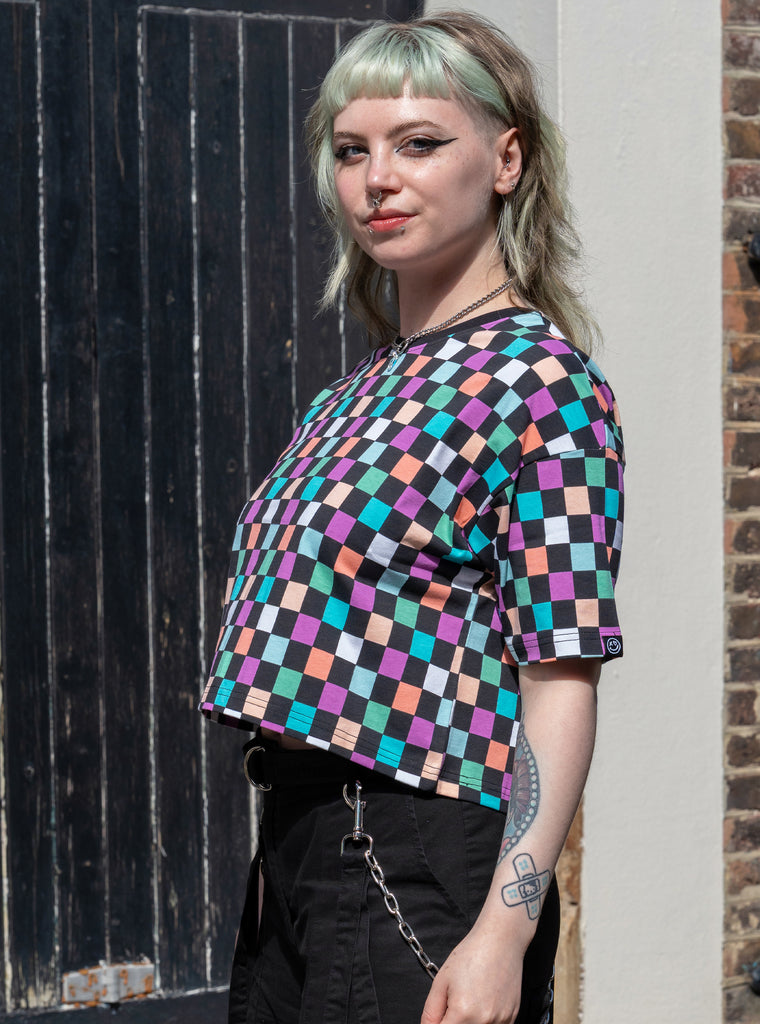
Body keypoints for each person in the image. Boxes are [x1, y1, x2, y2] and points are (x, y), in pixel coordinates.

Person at [199, 11, 625, 1024]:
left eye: (420, 143)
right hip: (297, 853)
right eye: (353, 151)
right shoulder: (355, 393)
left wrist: (505, 929)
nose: (378, 179)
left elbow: (559, 676)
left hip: (417, 857)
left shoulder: (544, 383)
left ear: (506, 157)